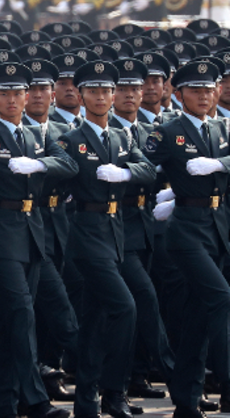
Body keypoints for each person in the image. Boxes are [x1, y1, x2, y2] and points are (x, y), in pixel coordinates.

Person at [0, 62, 77, 418]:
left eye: (19, 93)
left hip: (33, 232)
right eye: (5, 94)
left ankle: (5, 403)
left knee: (16, 319)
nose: (13, 99)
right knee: (21, 314)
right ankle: (35, 401)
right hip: (1, 232)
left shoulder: (38, 136)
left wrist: (41, 165)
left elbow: (69, 165)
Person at [57, 61, 156, 418]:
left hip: (116, 233)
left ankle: (88, 401)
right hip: (84, 232)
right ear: (81, 95)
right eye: (93, 90)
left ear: (113, 96)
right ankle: (114, 391)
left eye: (106, 91)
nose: (100, 96)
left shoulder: (122, 136)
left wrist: (125, 171)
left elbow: (148, 171)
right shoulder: (69, 140)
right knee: (125, 307)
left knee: (96, 320)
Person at [144, 60, 230, 418]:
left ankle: (186, 400)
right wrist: (159, 197)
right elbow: (143, 167)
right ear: (178, 95)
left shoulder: (222, 129)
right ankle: (228, 383)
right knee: (222, 299)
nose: (204, 96)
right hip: (186, 229)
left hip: (219, 227)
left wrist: (222, 164)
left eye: (209, 89)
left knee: (197, 318)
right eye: (195, 90)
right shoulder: (167, 131)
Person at [108, 58, 175, 402]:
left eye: (138, 87)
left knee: (140, 303)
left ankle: (133, 376)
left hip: (148, 224)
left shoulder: (154, 130)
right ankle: (174, 374)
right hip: (118, 227)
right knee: (143, 298)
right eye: (125, 88)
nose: (134, 94)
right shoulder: (108, 131)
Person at [21, 59, 79, 401]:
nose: (41, 95)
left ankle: (49, 368)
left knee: (57, 301)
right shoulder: (12, 131)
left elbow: (71, 166)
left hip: (60, 224)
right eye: (36, 89)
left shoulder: (62, 132)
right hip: (28, 225)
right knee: (51, 305)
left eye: (46, 88)